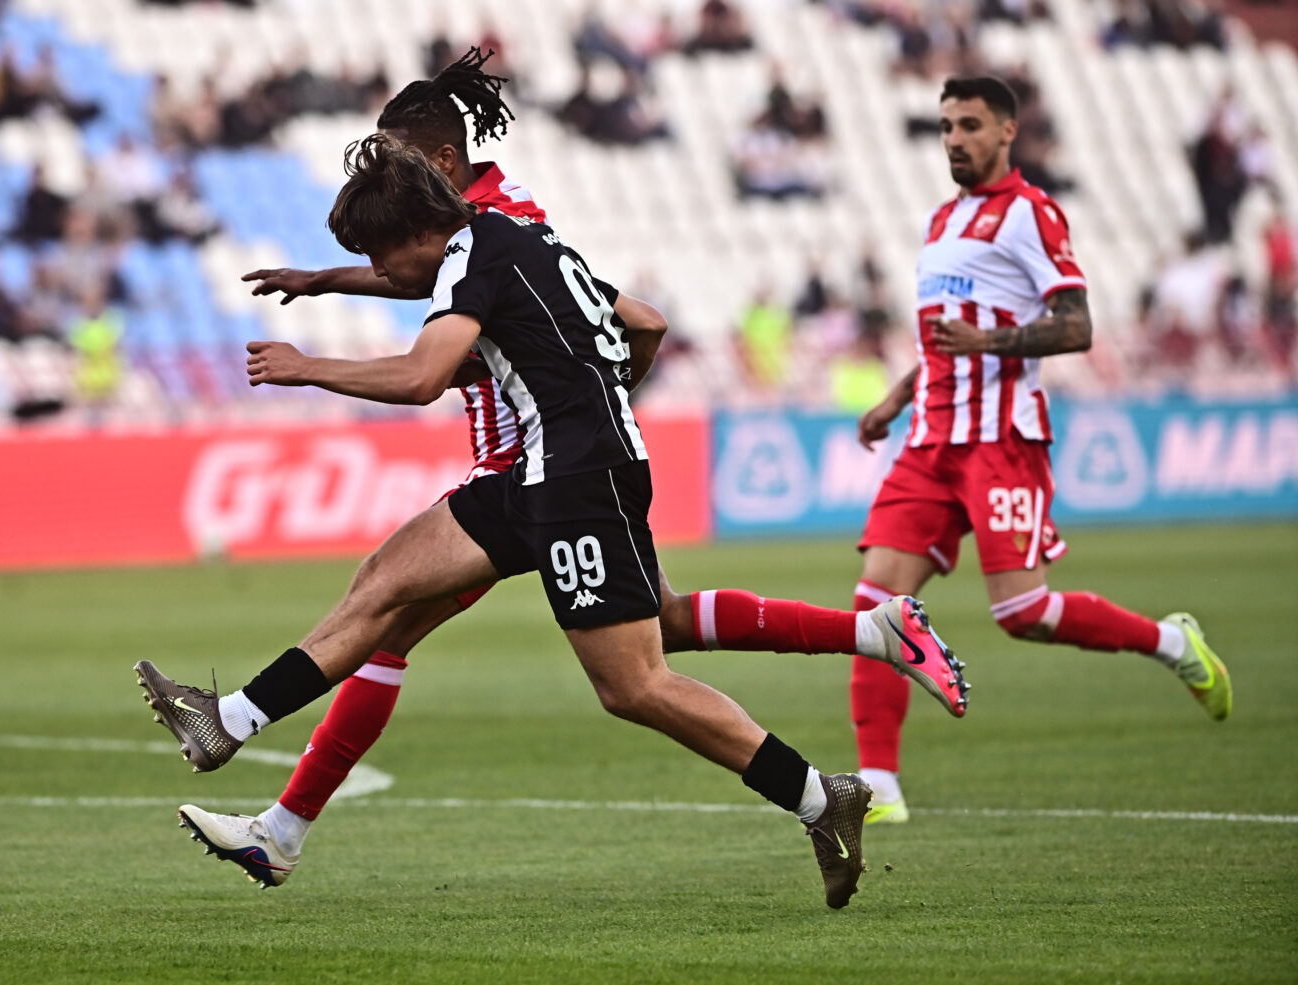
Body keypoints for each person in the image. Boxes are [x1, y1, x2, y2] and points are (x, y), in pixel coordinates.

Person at [218, 48, 966, 891]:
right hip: (553, 463)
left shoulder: (486, 234)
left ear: (437, 165)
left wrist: (578, 408)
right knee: (644, 622)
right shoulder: (506, 222)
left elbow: (448, 336)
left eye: (394, 164)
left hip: (538, 464)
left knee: (584, 667)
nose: (388, 194)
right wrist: (331, 281)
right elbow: (617, 316)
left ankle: (275, 818)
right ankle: (873, 636)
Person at [849, 77, 1232, 825]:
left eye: (969, 125)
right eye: (946, 126)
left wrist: (991, 341)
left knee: (1023, 611)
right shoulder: (939, 220)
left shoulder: (1031, 214)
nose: (954, 138)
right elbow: (942, 335)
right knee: (876, 604)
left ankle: (1170, 641)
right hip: (930, 438)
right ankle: (879, 785)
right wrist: (897, 397)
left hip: (1001, 441)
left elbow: (1078, 324)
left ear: (1006, 133)